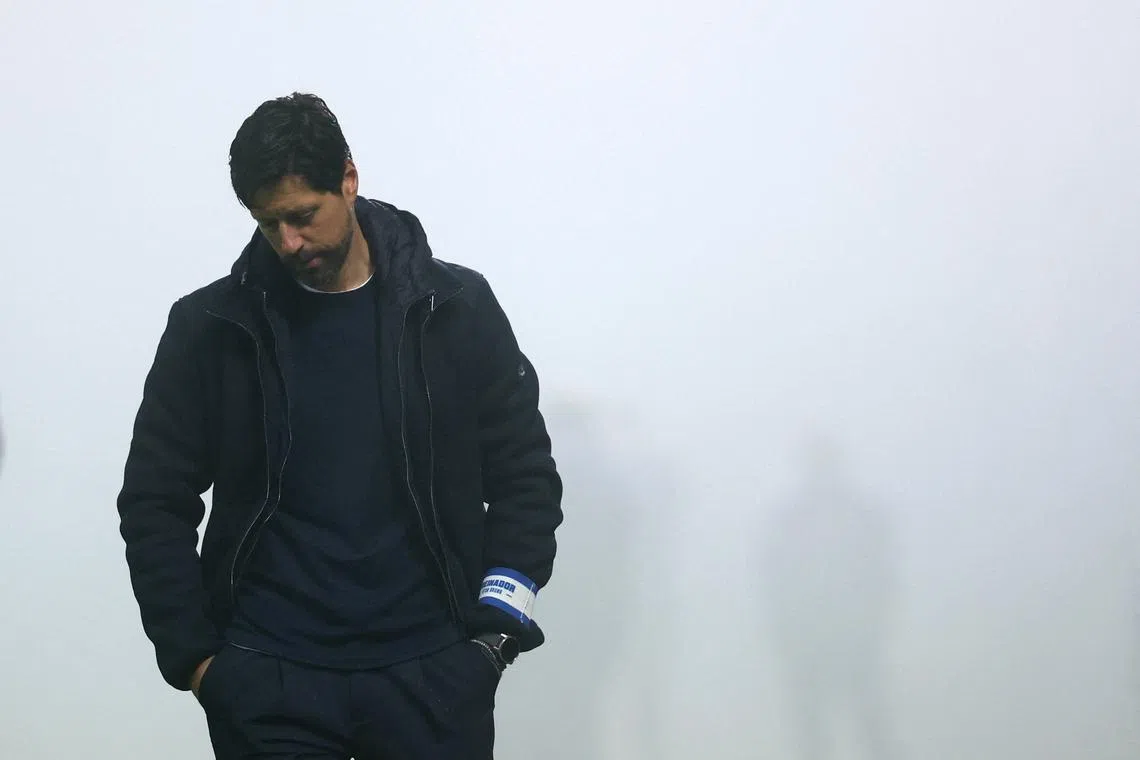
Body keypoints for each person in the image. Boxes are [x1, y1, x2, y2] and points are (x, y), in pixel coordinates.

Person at [117, 92, 563, 760]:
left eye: (302, 216)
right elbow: (154, 499)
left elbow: (526, 478)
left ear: (348, 179)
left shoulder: (457, 310)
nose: (289, 243)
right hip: (268, 677)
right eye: (268, 224)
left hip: (433, 676)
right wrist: (197, 660)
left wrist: (496, 633)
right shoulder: (210, 329)